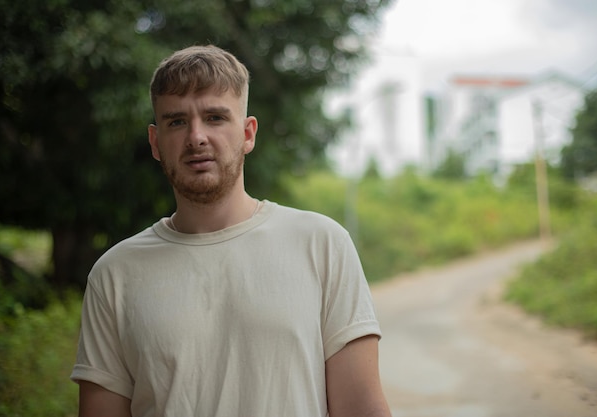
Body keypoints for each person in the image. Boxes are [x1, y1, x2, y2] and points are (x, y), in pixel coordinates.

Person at [70, 44, 391, 417]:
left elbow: (361, 407)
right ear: (156, 143)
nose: (196, 137)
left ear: (248, 133)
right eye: (176, 121)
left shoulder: (322, 244)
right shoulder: (114, 274)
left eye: (215, 118)